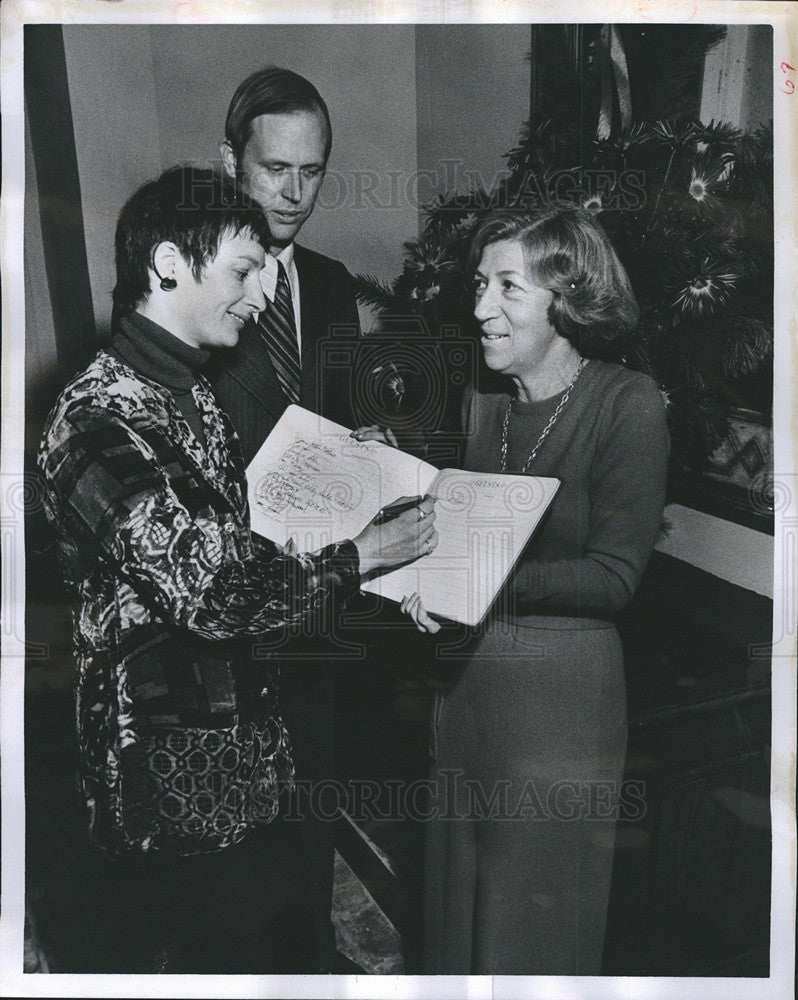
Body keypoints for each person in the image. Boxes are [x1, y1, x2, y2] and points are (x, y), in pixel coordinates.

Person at [37, 166, 437, 973]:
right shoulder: (92, 420)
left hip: (248, 753)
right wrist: (368, 555)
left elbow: (239, 549)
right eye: (243, 271)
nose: (260, 295)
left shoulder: (195, 392)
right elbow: (211, 592)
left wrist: (356, 497)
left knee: (267, 945)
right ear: (167, 265)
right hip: (164, 781)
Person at [354, 205, 670, 974]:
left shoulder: (626, 404)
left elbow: (614, 577)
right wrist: (384, 474)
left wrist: (477, 581)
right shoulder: (483, 406)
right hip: (468, 697)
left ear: (566, 300)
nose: (479, 308)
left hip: (559, 709)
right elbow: (464, 520)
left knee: (529, 927)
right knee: (459, 913)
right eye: (477, 285)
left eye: (505, 288)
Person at [209, 66, 366, 971]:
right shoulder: (184, 284)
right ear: (230, 161)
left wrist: (367, 441)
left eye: (313, 171)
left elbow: (336, 423)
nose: (295, 193)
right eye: (276, 170)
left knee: (314, 790)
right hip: (225, 602)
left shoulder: (334, 285)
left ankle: (310, 956)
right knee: (231, 824)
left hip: (320, 598)